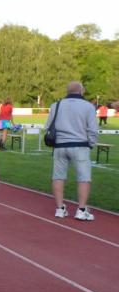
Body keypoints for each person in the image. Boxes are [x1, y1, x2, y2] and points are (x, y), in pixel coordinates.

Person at [45, 82, 98, 221]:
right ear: (81, 91)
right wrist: (91, 144)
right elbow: (93, 129)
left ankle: (60, 208)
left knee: (58, 176)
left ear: (67, 91)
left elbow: (48, 126)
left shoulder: (56, 105)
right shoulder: (88, 106)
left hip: (60, 146)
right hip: (80, 145)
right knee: (84, 177)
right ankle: (81, 210)